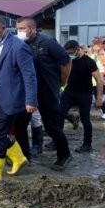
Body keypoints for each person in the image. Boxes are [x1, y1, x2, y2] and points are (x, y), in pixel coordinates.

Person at [0, 16, 37, 180]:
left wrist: (31, 100)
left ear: (3, 29)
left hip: (10, 98)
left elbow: (29, 75)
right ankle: (18, 158)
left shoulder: (18, 47)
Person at [14, 17, 72, 169]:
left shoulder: (47, 43)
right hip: (27, 92)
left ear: (32, 29)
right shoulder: (19, 44)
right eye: (17, 29)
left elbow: (66, 61)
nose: (19, 32)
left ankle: (64, 155)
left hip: (47, 90)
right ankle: (24, 157)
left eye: (22, 29)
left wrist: (62, 81)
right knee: (20, 125)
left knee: (52, 126)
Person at [60, 41, 104, 153]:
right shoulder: (69, 60)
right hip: (69, 92)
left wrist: (99, 98)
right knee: (59, 114)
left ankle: (87, 144)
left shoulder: (89, 62)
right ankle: (57, 141)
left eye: (71, 52)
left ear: (77, 49)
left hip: (85, 94)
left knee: (85, 119)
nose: (69, 55)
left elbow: (99, 80)